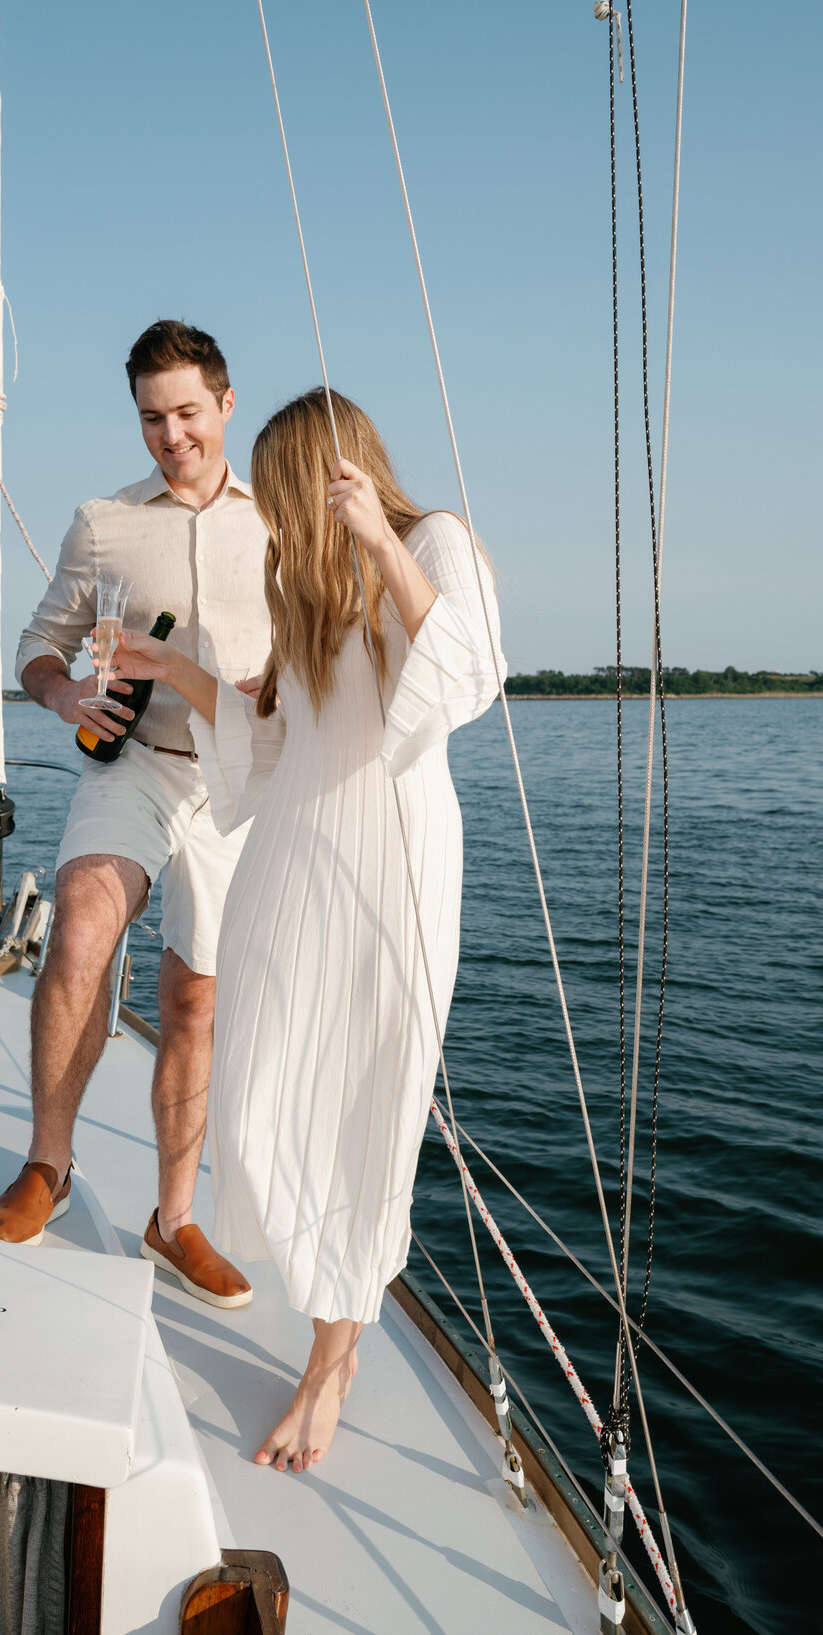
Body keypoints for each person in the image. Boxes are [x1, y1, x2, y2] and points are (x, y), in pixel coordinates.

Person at [112, 386, 504, 1471]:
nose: (274, 518)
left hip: (394, 863)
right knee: (257, 1086)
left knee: (366, 1105)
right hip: (293, 858)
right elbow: (273, 735)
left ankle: (331, 1361)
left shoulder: (433, 538)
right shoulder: (302, 584)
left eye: (280, 490)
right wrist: (171, 670)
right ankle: (326, 1319)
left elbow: (465, 672)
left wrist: (381, 539)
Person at [0, 320, 271, 1313]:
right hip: (129, 765)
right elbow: (38, 646)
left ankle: (173, 1219)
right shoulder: (103, 522)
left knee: (194, 1002)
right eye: (152, 418)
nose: (172, 434)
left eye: (188, 412)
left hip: (236, 786)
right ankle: (46, 1167)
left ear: (226, 405)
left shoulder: (279, 522)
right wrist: (62, 697)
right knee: (80, 929)